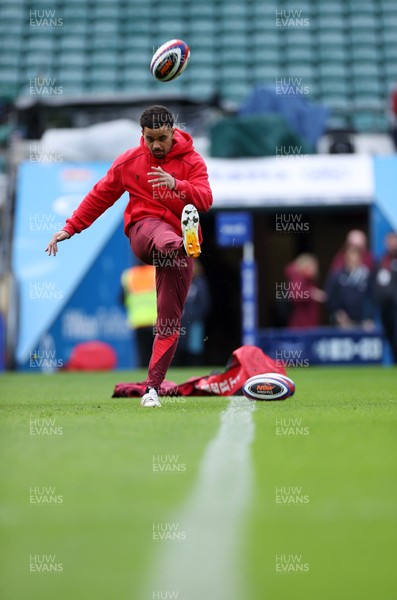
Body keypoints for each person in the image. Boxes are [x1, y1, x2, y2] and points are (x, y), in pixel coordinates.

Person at [45, 105, 213, 407]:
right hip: (144, 233)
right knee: (159, 232)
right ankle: (180, 241)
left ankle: (151, 389)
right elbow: (99, 196)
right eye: (150, 139)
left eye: (161, 138)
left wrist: (178, 185)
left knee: (169, 323)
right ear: (142, 135)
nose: (156, 145)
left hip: (178, 254)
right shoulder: (130, 162)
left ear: (173, 132)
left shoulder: (192, 161)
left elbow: (205, 199)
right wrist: (70, 229)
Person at [325, 245, 374, 329]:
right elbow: (330, 297)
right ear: (345, 258)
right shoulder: (336, 276)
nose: (353, 260)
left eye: (356, 257)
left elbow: (371, 297)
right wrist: (338, 313)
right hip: (342, 323)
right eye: (350, 257)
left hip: (362, 323)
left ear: (360, 259)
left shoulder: (367, 276)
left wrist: (368, 317)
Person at [175, 260, 211, 366]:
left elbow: (205, 304)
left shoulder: (200, 283)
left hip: (195, 321)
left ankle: (195, 368)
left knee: (195, 348)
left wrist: (194, 316)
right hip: (180, 321)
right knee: (179, 348)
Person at [120, 263, 157, 367]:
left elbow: (121, 298)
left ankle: (144, 379)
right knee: (158, 352)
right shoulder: (156, 271)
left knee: (143, 353)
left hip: (138, 320)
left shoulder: (129, 275)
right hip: (156, 319)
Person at [283, 253, 326, 329]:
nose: (316, 269)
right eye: (313, 266)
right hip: (301, 328)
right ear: (305, 266)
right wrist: (312, 293)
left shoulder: (309, 281)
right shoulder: (297, 278)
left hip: (310, 326)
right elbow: (296, 295)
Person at [374, 232, 397, 362]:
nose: (392, 244)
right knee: (389, 335)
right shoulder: (382, 261)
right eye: (390, 241)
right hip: (385, 307)